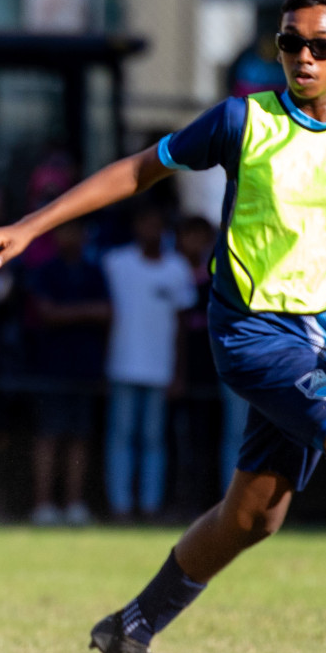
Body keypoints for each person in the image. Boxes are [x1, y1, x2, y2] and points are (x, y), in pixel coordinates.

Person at [0, 0, 326, 653]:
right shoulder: (242, 122)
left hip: (321, 342)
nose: (302, 56)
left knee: (253, 517)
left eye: (321, 46)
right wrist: (31, 225)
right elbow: (138, 171)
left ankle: (130, 628)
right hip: (253, 334)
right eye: (290, 42)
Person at [100, 204, 195, 521]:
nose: (150, 230)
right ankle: (121, 507)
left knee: (153, 441)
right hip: (122, 365)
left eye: (156, 224)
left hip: (160, 369)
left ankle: (150, 506)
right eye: (145, 223)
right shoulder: (116, 263)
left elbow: (182, 326)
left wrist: (178, 373)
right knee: (121, 437)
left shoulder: (177, 268)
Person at [24, 220, 109, 526]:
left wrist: (68, 314)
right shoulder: (47, 271)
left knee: (79, 438)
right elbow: (48, 314)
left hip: (86, 368)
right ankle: (43, 505)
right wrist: (88, 312)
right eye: (64, 230)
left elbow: (108, 313)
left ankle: (74, 505)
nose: (69, 236)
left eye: (76, 230)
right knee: (48, 436)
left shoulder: (94, 271)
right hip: (51, 367)